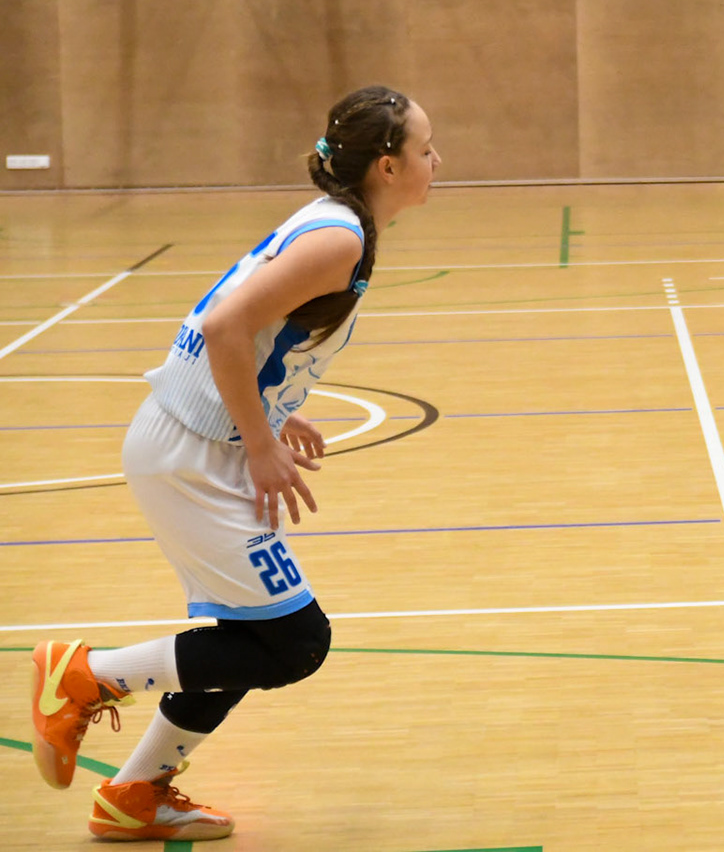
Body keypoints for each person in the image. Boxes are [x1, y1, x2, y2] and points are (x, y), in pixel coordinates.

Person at [29, 87, 440, 842]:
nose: (436, 160)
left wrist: (275, 409)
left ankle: (133, 796)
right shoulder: (340, 238)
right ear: (387, 166)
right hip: (191, 453)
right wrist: (257, 439)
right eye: (425, 148)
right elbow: (223, 325)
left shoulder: (339, 223)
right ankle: (84, 675)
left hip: (191, 442)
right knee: (295, 642)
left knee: (248, 640)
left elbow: (251, 333)